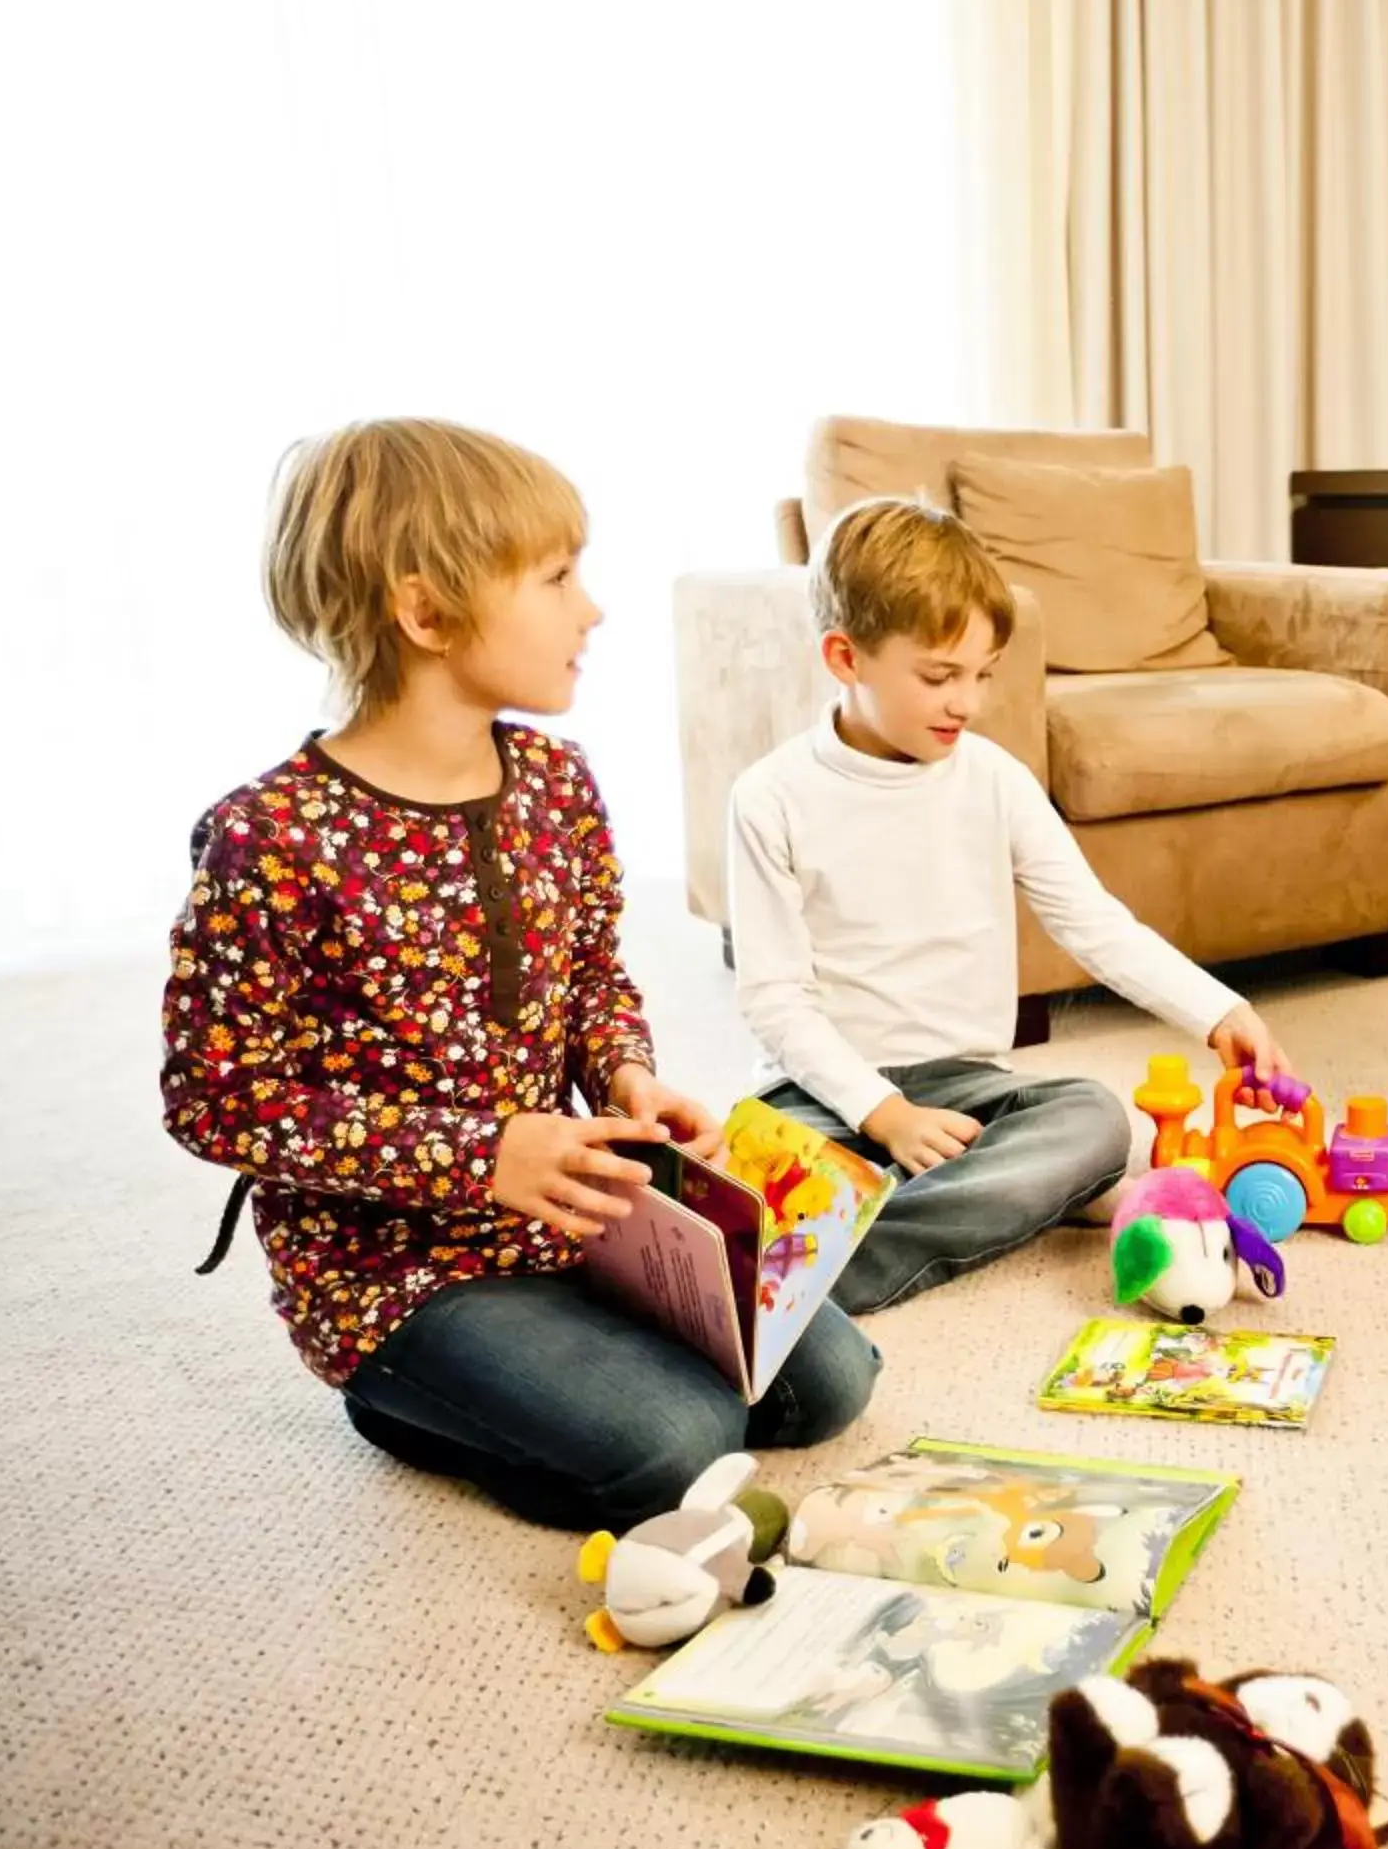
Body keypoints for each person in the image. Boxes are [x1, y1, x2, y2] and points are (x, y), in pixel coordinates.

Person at [162, 420, 878, 1529]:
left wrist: (628, 1076)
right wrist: (479, 1153)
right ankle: (400, 1396)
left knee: (830, 1380)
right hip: (395, 1272)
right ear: (427, 612)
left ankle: (554, 1368)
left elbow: (591, 968)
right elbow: (216, 1097)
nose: (590, 606)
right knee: (676, 1443)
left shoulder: (554, 778)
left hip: (581, 1217)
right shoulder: (272, 837)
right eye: (555, 576)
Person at [725, 497, 1291, 1315]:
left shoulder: (992, 779)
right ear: (845, 657)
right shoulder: (770, 797)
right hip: (816, 1095)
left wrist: (1218, 1010)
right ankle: (986, 1200)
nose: (968, 702)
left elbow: (1091, 923)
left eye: (981, 675)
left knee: (1093, 1117)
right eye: (939, 676)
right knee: (751, 1160)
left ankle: (850, 1256)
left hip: (964, 1092)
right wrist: (883, 1114)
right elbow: (774, 1001)